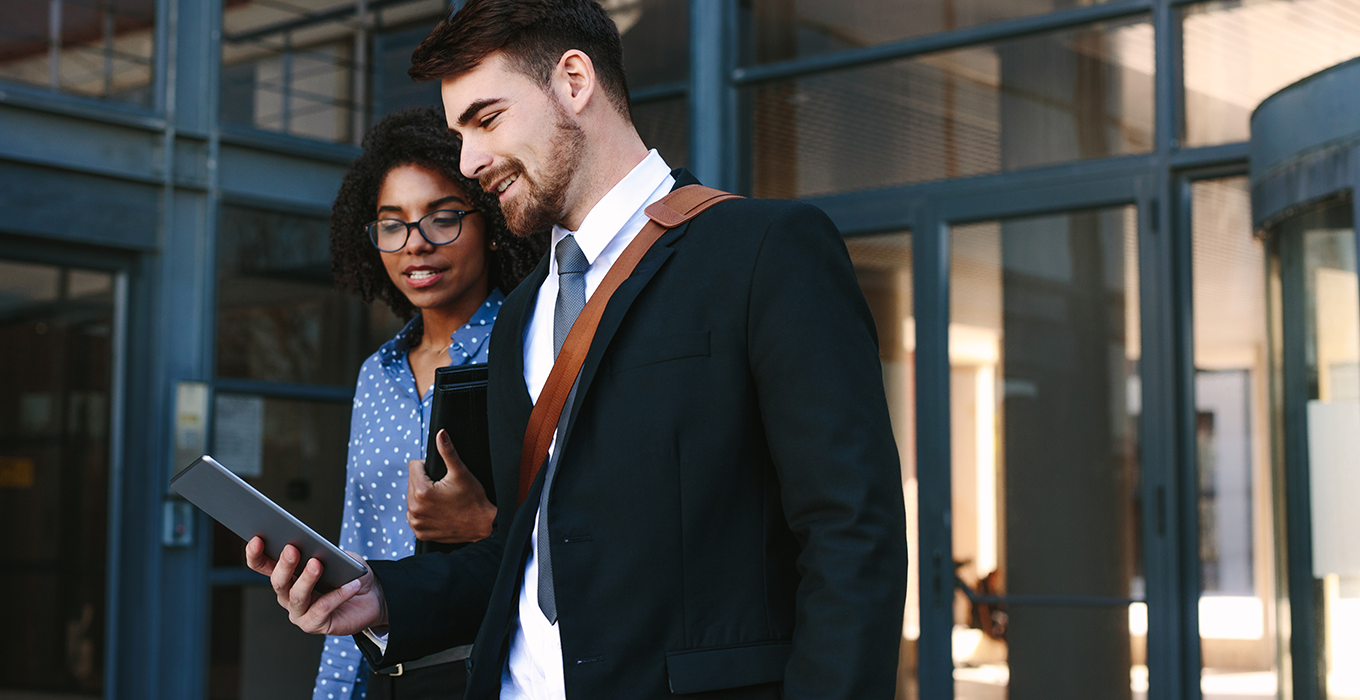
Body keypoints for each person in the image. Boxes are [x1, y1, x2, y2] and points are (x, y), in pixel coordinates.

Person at [248, 1, 908, 698]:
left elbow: (851, 536)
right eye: (458, 131)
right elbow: (523, 555)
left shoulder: (765, 252)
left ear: (573, 81)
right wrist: (381, 595)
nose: (469, 161)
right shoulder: (523, 315)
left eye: (487, 118)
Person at [315, 105, 546, 700]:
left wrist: (485, 528)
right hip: (386, 678)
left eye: (442, 219)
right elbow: (354, 548)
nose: (415, 245)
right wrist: (336, 690)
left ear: (492, 223)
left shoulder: (534, 347)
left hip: (497, 672)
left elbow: (582, 537)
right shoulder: (377, 374)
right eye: (392, 224)